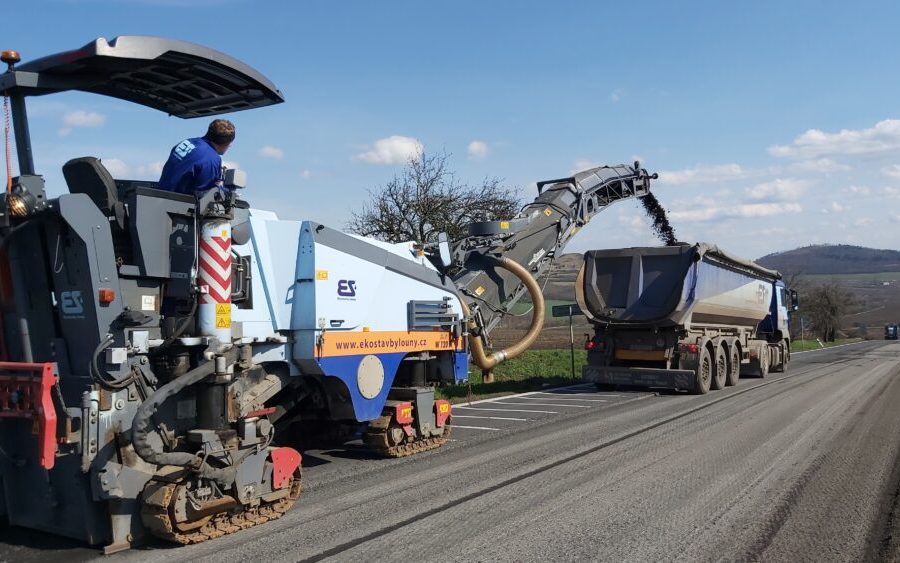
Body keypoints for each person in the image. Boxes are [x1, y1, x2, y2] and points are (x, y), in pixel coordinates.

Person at [158, 119, 235, 196]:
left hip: (159, 195)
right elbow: (205, 194)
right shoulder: (212, 159)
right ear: (226, 143)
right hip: (177, 204)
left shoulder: (187, 142)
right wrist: (226, 191)